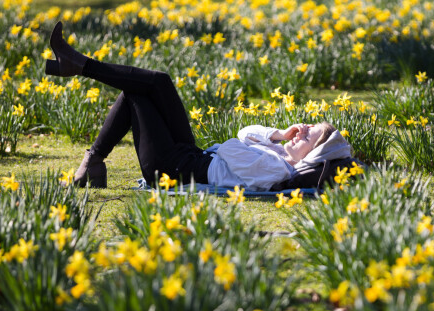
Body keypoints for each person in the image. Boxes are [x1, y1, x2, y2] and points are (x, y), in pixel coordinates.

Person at [45, 21, 353, 190]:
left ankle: (92, 154)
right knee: (159, 81)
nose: (301, 132)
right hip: (190, 157)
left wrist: (274, 149)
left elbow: (233, 146)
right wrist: (279, 136)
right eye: (306, 128)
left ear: (312, 156)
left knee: (135, 94)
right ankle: (80, 66)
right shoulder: (278, 152)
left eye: (307, 137)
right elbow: (246, 132)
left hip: (173, 171)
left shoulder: (277, 168)